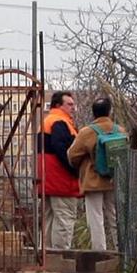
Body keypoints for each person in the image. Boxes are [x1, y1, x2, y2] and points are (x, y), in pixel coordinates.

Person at [67, 97, 125, 253]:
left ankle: (100, 252)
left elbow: (72, 155)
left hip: (93, 181)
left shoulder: (87, 132)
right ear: (109, 111)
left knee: (96, 218)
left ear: (93, 113)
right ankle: (121, 251)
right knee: (115, 217)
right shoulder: (120, 130)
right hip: (114, 180)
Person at [40, 90, 83, 249]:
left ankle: (47, 257)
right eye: (69, 104)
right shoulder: (60, 122)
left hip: (47, 179)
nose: (73, 108)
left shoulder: (48, 120)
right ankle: (60, 258)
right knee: (64, 219)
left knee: (49, 220)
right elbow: (62, 149)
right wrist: (75, 170)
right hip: (61, 180)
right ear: (58, 105)